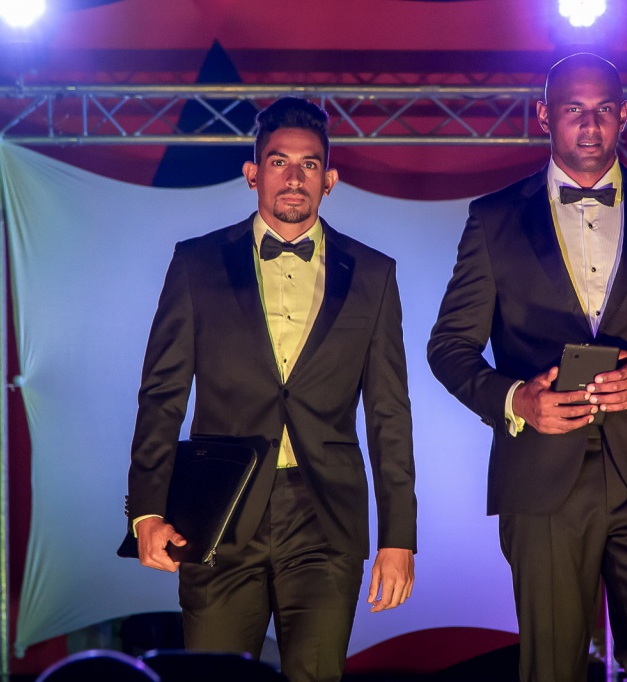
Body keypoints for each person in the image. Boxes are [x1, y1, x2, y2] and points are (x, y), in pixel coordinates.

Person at [427, 53, 627, 682]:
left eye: (603, 109)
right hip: (542, 478)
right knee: (551, 669)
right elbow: (449, 347)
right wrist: (517, 401)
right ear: (544, 115)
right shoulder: (493, 218)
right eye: (573, 109)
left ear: (624, 114)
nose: (589, 123)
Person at [126, 97, 417, 682]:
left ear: (329, 180)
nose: (294, 177)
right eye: (279, 162)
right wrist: (147, 509)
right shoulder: (197, 262)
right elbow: (162, 394)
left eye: (309, 165)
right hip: (219, 508)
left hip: (324, 513)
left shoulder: (373, 273)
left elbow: (389, 412)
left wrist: (399, 537)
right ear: (253, 173)